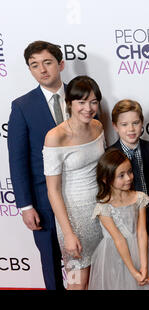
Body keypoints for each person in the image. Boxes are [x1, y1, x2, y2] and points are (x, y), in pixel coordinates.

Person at [7, 40, 67, 290]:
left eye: (47, 63)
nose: (42, 70)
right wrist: (26, 205)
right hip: (43, 200)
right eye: (34, 65)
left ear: (60, 64)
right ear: (30, 70)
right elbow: (17, 159)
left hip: (83, 194)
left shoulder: (82, 97)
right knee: (51, 263)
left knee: (91, 258)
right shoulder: (22, 106)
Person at [43, 75, 104, 290]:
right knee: (78, 282)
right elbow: (53, 190)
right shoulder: (55, 136)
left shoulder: (97, 127)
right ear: (69, 103)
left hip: (101, 213)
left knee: (99, 278)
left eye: (94, 102)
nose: (88, 108)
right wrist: (68, 233)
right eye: (81, 102)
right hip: (74, 219)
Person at [88, 149, 149, 290]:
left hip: (140, 251)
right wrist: (134, 272)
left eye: (129, 172)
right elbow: (118, 239)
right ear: (106, 179)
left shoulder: (139, 198)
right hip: (115, 254)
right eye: (121, 175)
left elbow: (141, 232)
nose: (128, 178)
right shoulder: (103, 206)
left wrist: (144, 267)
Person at [109, 99, 149, 250]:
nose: (131, 129)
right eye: (124, 124)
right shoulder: (110, 155)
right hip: (124, 221)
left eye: (135, 123)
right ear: (115, 126)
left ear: (142, 123)